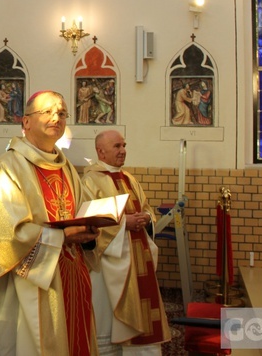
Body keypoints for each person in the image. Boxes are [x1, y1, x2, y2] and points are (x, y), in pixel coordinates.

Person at [0, 90, 99, 356]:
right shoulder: (8, 167)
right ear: (26, 122)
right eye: (46, 111)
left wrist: (89, 229)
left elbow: (79, 211)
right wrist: (61, 237)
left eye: (62, 112)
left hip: (71, 275)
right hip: (26, 286)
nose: (56, 117)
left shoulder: (65, 167)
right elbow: (4, 236)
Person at [81, 130, 170, 355]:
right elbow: (88, 220)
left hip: (138, 255)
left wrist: (147, 218)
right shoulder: (90, 181)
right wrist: (123, 224)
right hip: (110, 266)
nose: (123, 151)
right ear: (100, 151)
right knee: (108, 319)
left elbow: (147, 207)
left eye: (124, 145)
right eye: (117, 146)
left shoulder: (128, 178)